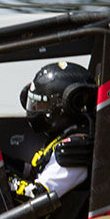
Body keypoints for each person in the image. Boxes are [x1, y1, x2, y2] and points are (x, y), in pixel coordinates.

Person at [9, 61, 96, 200]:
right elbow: (36, 171)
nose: (35, 110)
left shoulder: (74, 149)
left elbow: (38, 195)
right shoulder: (61, 136)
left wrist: (6, 181)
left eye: (42, 104)